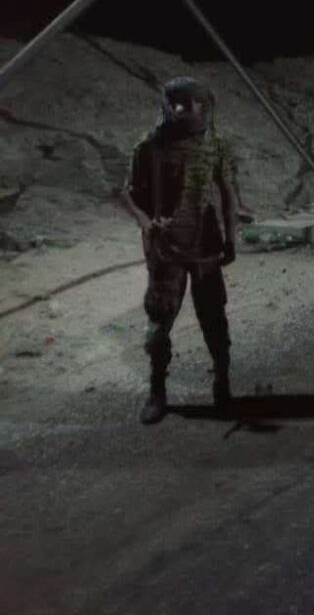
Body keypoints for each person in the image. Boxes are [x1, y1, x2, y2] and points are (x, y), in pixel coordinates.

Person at [122, 77, 239, 425]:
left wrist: (232, 239)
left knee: (214, 320)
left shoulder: (214, 145)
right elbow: (129, 194)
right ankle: (157, 390)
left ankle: (222, 383)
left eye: (197, 104)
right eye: (184, 104)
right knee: (158, 326)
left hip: (205, 249)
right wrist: (146, 222)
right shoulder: (149, 147)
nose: (192, 110)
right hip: (166, 252)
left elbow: (229, 194)